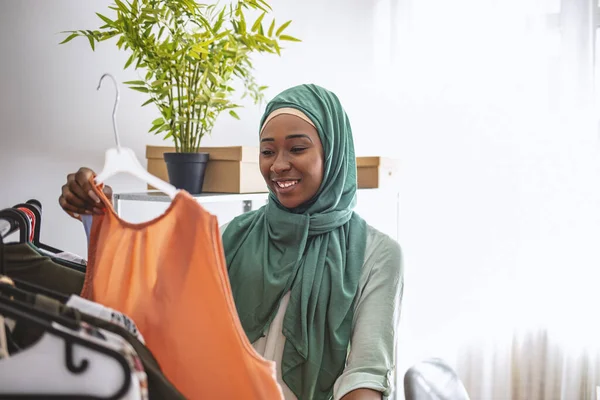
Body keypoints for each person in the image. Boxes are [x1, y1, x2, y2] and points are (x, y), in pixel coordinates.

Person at [58, 84, 403, 400]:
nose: (278, 165)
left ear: (334, 153)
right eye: (267, 152)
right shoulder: (229, 237)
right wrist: (99, 218)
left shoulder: (377, 255)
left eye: (297, 148)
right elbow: (153, 311)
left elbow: (366, 375)